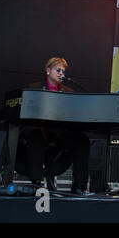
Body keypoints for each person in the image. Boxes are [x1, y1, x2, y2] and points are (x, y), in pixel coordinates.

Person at [15, 57, 91, 195]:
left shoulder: (68, 92)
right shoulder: (34, 87)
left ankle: (80, 184)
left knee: (81, 140)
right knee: (35, 135)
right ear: (48, 70)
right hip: (40, 130)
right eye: (58, 69)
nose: (61, 73)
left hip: (59, 133)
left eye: (63, 70)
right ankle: (36, 183)